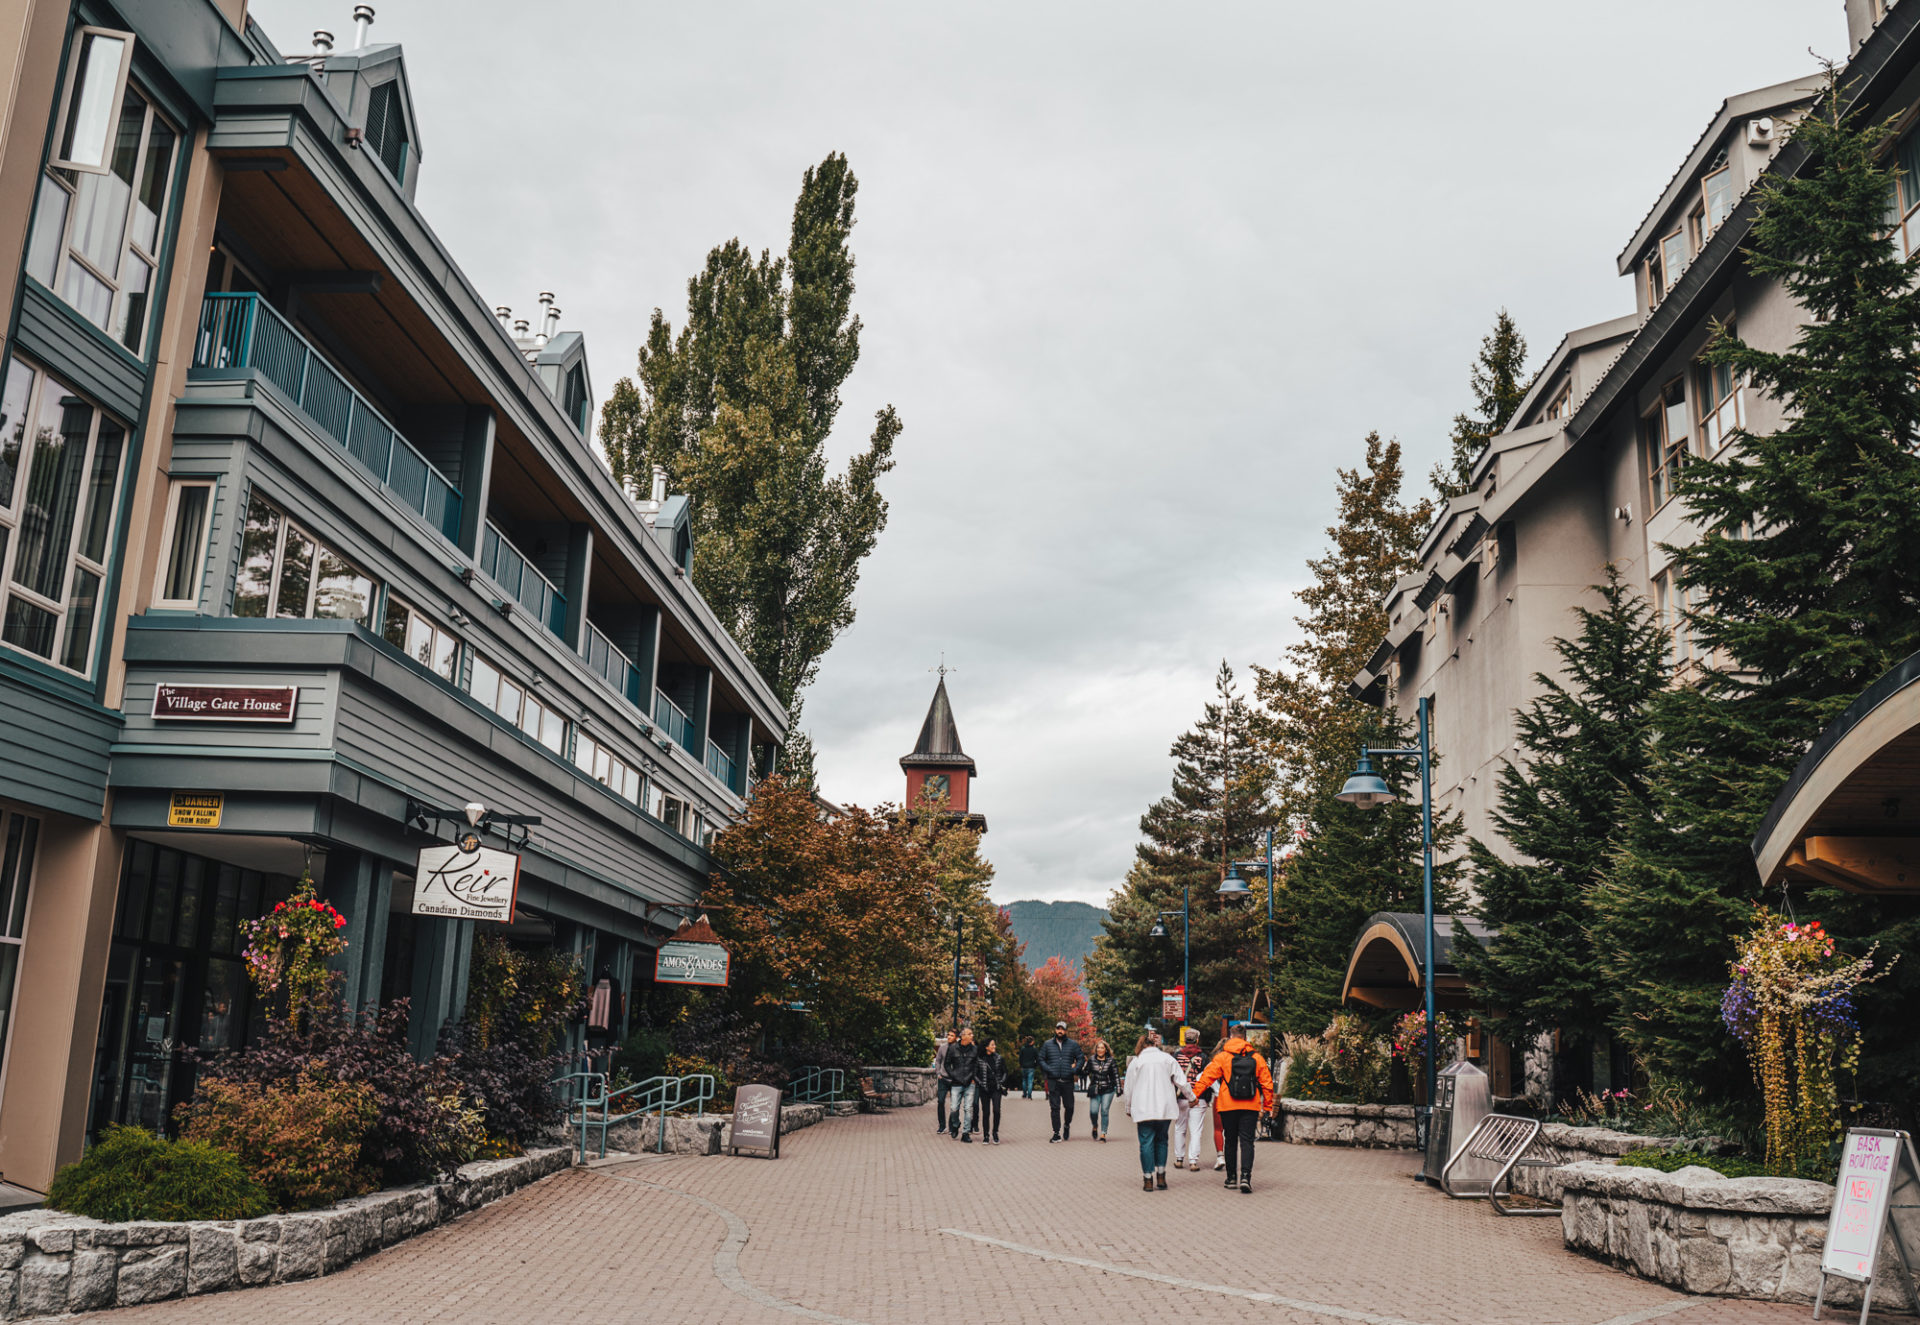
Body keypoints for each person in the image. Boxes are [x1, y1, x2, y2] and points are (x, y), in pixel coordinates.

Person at [1191, 1021, 1276, 1193]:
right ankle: (1245, 1176)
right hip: (1250, 1105)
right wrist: (1267, 1106)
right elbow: (1267, 1084)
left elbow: (1207, 1078)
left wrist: (1194, 1096)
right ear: (1245, 1038)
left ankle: (1231, 1178)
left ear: (1230, 1037)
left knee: (1230, 1141)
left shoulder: (1222, 1057)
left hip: (1227, 1105)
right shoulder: (1256, 1058)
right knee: (1247, 1141)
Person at [1123, 1026, 1191, 1191]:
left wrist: (1128, 1106)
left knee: (1146, 1142)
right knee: (1162, 1140)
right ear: (1155, 1045)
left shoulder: (1137, 1062)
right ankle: (1161, 1176)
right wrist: (1192, 1097)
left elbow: (1129, 1087)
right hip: (1164, 1108)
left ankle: (1148, 1178)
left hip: (1143, 1108)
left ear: (1142, 1047)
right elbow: (1181, 1081)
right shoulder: (1167, 1059)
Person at [1036, 1020, 1086, 1142]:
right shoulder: (1047, 1044)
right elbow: (1040, 1059)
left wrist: (1074, 1071)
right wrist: (1049, 1069)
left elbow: (1081, 1058)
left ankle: (1067, 1125)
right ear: (1055, 1030)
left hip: (1068, 1081)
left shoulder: (1073, 1045)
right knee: (1055, 1108)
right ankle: (1056, 1133)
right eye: (1058, 1028)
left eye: (1062, 1029)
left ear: (1065, 1031)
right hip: (1053, 1081)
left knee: (1069, 1107)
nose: (1060, 1031)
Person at [1170, 1026, 1211, 1172]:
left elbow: (1172, 1077)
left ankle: (1179, 1159)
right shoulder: (1203, 1057)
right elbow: (1207, 1078)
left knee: (1180, 1128)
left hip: (1180, 1097)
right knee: (1196, 1130)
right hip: (1198, 1099)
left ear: (1185, 1040)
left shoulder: (1176, 1056)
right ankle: (1193, 1161)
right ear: (1197, 1040)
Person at [944, 1027, 981, 1142]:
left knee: (968, 1108)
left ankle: (966, 1133)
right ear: (963, 1036)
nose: (972, 1036)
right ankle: (955, 1125)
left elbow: (977, 1065)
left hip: (970, 1083)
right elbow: (946, 1064)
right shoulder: (953, 1048)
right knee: (954, 1108)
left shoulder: (975, 1049)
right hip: (956, 1083)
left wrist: (974, 1077)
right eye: (970, 1034)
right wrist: (952, 1075)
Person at [1084, 1039, 1119, 1142]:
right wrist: (1077, 1068)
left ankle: (1103, 1133)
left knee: (1104, 1111)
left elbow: (1116, 1075)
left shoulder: (1111, 1060)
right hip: (1095, 1089)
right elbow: (1086, 1072)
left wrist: (1119, 1088)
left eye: (1102, 1048)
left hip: (1108, 1089)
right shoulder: (1091, 1060)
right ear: (1096, 1049)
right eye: (1098, 1047)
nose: (1100, 1049)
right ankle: (1095, 1126)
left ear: (1106, 1050)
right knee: (1093, 1111)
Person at [976, 1037, 1007, 1143]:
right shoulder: (979, 1059)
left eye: (994, 1045)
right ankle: (986, 1135)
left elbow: (1005, 1072)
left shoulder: (999, 1058)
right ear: (986, 1047)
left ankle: (995, 1133)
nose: (994, 1047)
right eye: (992, 1045)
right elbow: (975, 1074)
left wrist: (1001, 1082)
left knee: (997, 1110)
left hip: (996, 1089)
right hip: (984, 1089)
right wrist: (980, 1083)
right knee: (986, 1112)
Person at [933, 1029, 958, 1135]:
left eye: (951, 1035)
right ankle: (942, 1126)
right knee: (941, 1101)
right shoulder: (942, 1048)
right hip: (943, 1079)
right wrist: (938, 1073)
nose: (949, 1037)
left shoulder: (959, 1049)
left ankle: (952, 1126)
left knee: (954, 1104)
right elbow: (938, 1060)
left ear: (956, 1037)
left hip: (955, 1080)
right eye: (948, 1035)